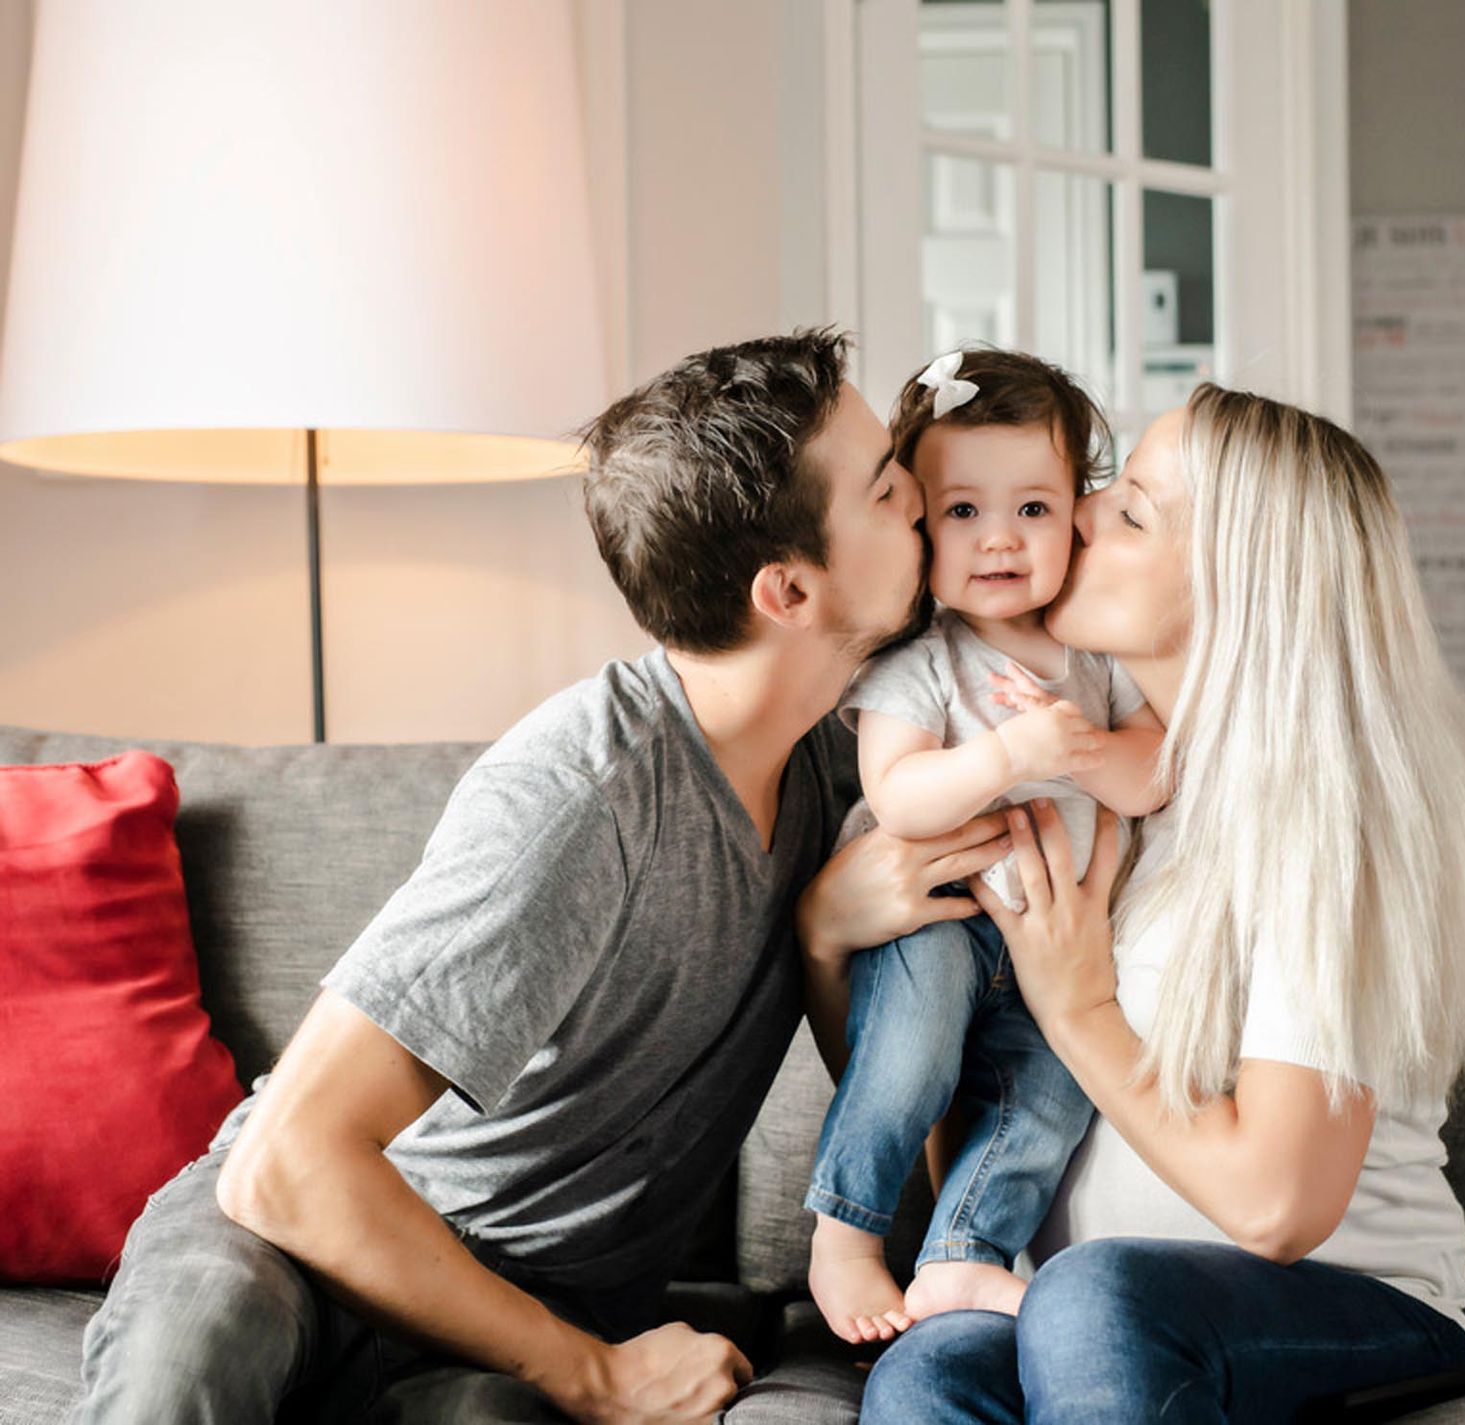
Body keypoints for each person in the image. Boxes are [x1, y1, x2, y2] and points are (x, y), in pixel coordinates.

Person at [69, 329, 1015, 1425]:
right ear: (789, 591)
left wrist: (815, 938)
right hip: (302, 1244)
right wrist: (594, 1374)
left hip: (522, 1312)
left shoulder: (853, 767)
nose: (923, 503)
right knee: (183, 1369)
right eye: (892, 488)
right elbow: (287, 1167)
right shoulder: (582, 795)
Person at [832, 385, 1465, 1423]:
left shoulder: (1328, 816)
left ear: (1238, 582)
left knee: (1094, 1294)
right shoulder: (1067, 772)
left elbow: (1278, 1209)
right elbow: (952, 1103)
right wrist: (824, 936)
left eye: (1134, 510)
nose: (1081, 514)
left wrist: (1077, 1008)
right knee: (930, 1370)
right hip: (1078, 1317)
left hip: (1347, 1309)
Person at [804, 349, 1167, 1346]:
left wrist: (1084, 751)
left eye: (1034, 510)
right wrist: (1014, 751)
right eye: (962, 511)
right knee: (908, 1062)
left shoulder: (1096, 658)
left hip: (1060, 950)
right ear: (919, 522)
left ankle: (963, 1256)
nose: (999, 540)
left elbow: (1152, 773)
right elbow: (901, 797)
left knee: (1048, 1103)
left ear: (1075, 512)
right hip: (945, 922)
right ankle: (844, 1229)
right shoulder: (919, 665)